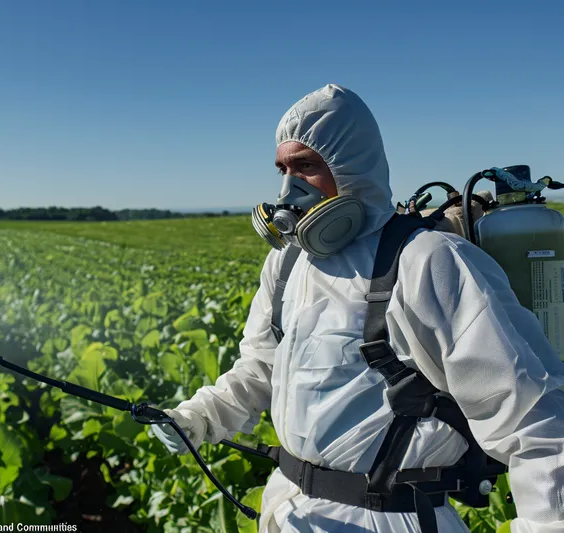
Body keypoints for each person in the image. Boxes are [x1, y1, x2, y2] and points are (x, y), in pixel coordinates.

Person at [152, 84, 564, 533]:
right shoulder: (287, 261)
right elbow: (259, 368)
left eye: (306, 166)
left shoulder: (427, 259)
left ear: (352, 167)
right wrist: (198, 417)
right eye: (282, 169)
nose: (288, 187)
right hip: (291, 508)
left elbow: (535, 420)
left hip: (393, 516)